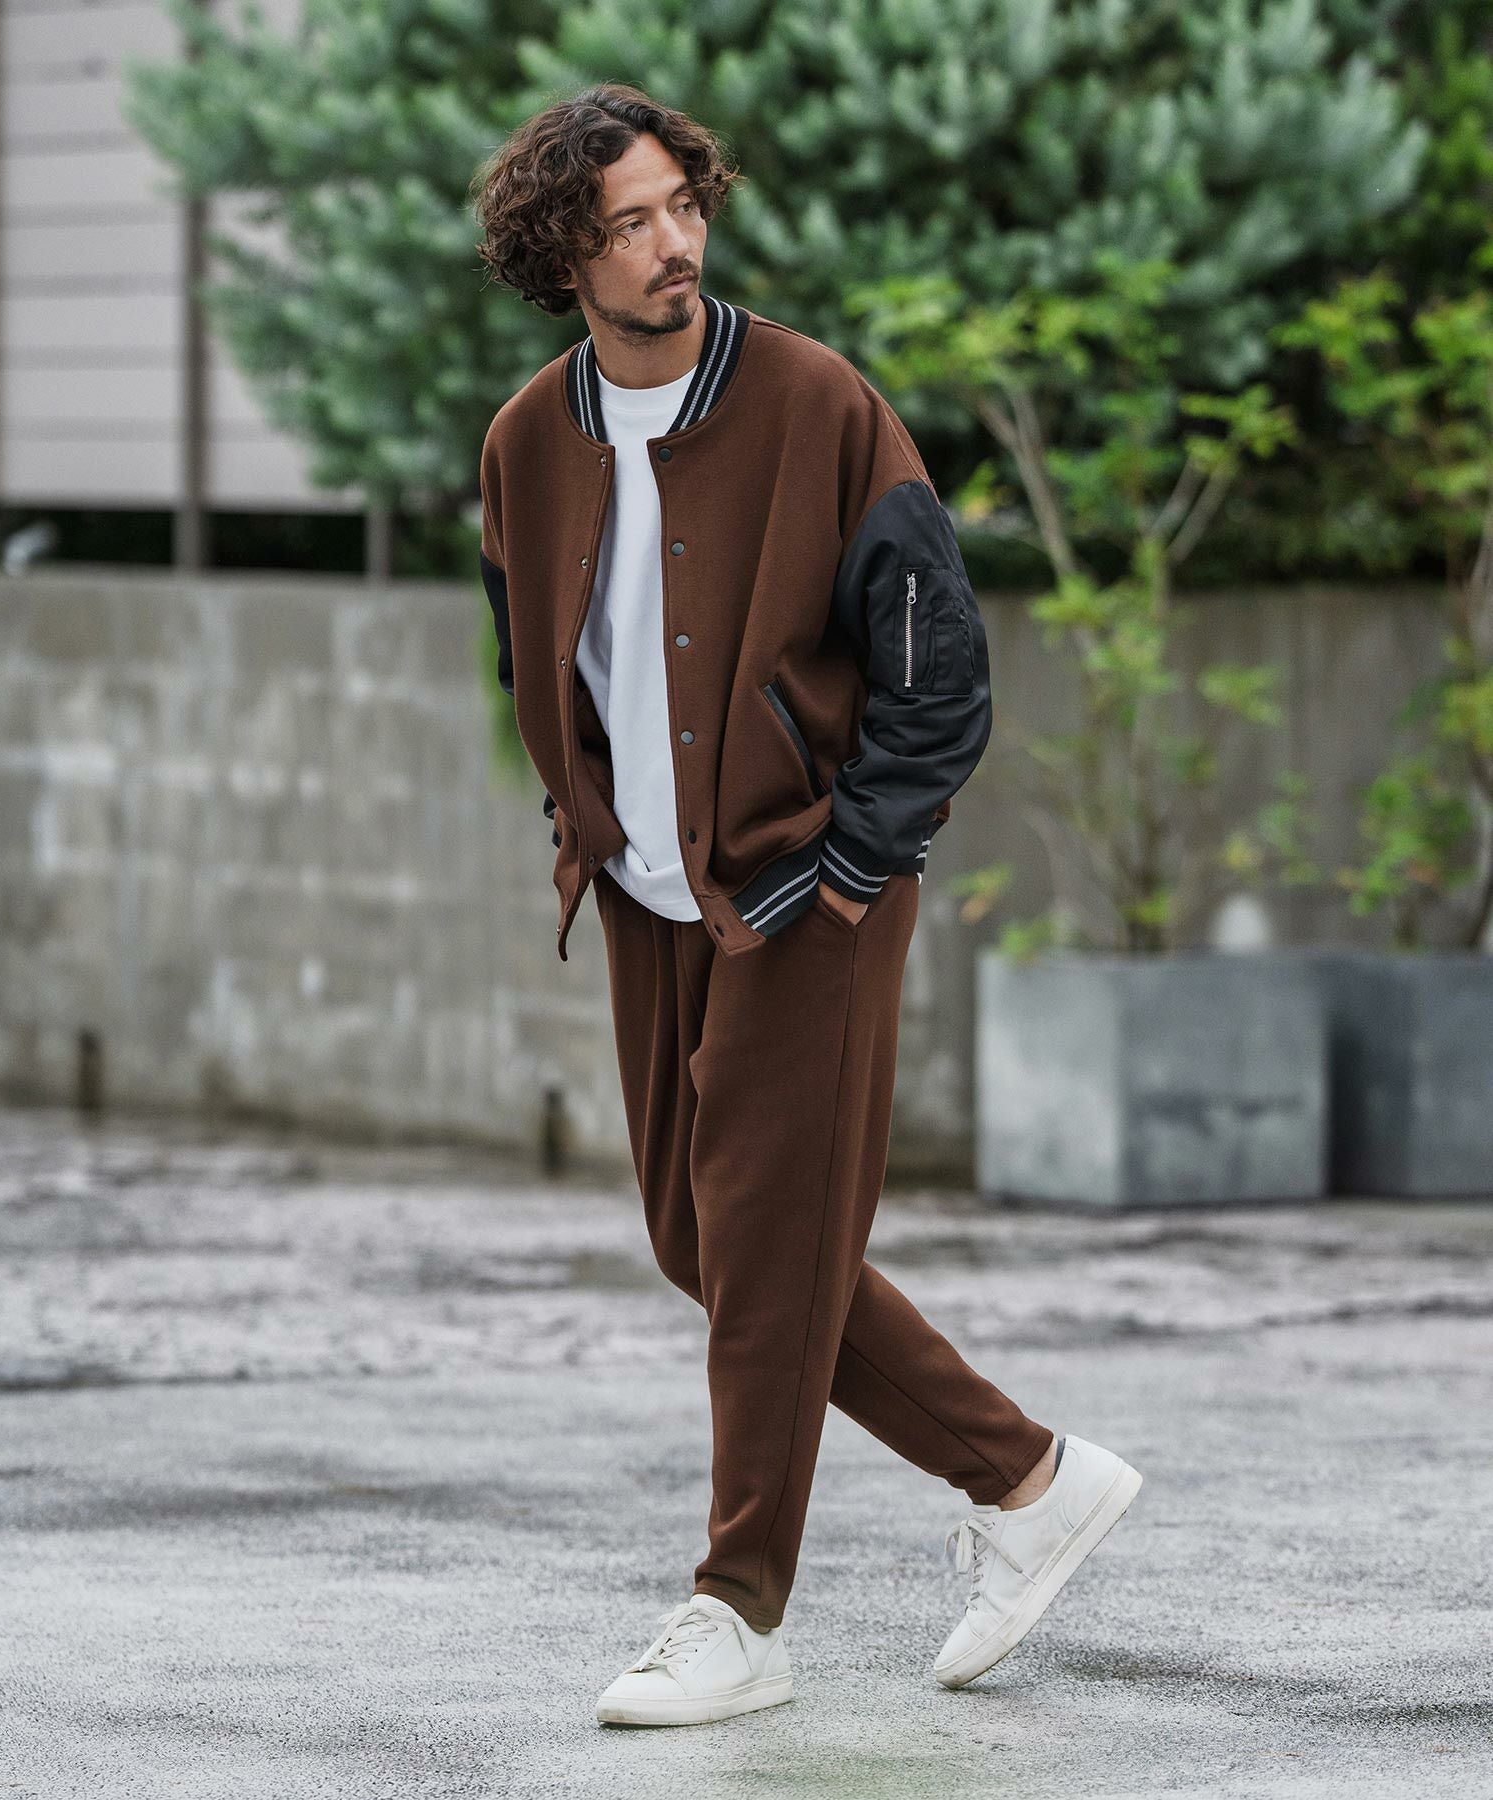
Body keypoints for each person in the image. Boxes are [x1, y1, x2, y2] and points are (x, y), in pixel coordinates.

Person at [471, 82, 1142, 1728]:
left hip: (800, 888)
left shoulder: (814, 403)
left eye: (683, 204)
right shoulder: (526, 443)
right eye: (629, 222)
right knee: (702, 1239)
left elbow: (940, 670)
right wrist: (586, 820)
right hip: (651, 893)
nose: (673, 243)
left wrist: (853, 867)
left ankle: (739, 1610)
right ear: (563, 256)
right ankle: (1031, 1479)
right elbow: (532, 651)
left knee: (767, 1248)